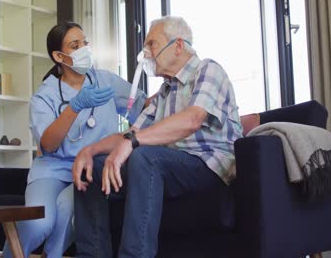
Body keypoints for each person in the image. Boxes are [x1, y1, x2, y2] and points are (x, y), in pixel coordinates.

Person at [73, 16, 243, 258]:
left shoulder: (207, 70)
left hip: (209, 164)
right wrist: (88, 151)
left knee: (145, 157)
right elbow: (131, 133)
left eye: (151, 44)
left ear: (178, 45)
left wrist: (132, 143)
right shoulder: (165, 91)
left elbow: (193, 119)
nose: (146, 54)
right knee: (94, 167)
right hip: (171, 164)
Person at [2, 22, 147, 258]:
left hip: (90, 170)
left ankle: (53, 255)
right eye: (75, 45)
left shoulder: (105, 81)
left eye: (85, 43)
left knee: (68, 210)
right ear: (58, 56)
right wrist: (75, 106)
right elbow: (48, 145)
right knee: (39, 222)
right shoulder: (44, 95)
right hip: (52, 170)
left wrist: (168, 96)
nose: (84, 49)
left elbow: (142, 107)